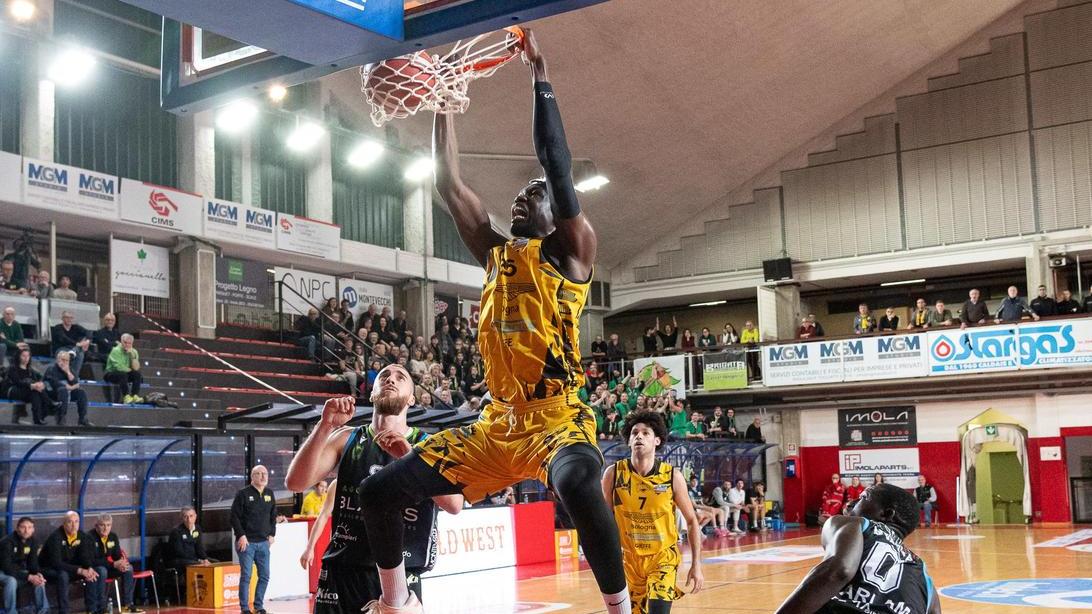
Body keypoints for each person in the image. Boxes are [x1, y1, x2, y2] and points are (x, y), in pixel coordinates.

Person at [351, 30, 631, 614]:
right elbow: (447, 185)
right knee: (379, 489)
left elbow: (555, 162)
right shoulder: (497, 253)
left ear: (558, 212)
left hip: (556, 420)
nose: (521, 199)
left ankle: (619, 605)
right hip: (494, 426)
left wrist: (540, 77)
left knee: (579, 482)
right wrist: (444, 100)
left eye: (535, 195)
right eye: (521, 195)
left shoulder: (572, 252)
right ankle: (395, 602)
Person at [283, 378, 464, 614]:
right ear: (372, 394)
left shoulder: (426, 445)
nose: (391, 378)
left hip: (399, 577)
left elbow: (454, 504)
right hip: (342, 571)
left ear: (412, 398)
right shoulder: (346, 437)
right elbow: (295, 482)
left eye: (401, 377)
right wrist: (325, 425)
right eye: (384, 376)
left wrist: (410, 459)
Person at [776, 484, 939, 614]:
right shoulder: (924, 576)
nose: (850, 503)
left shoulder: (855, 524)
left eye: (862, 498)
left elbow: (839, 571)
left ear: (886, 514)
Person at [602, 411, 703, 614]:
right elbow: (604, 522)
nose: (639, 436)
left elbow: (692, 520)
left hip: (662, 558)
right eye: (634, 433)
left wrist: (696, 565)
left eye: (646, 433)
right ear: (629, 441)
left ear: (657, 440)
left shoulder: (671, 476)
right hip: (628, 561)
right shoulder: (613, 474)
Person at [230, 465, 278, 614]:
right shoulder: (243, 494)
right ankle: (244, 608)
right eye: (259, 474)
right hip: (247, 542)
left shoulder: (270, 493)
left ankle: (259, 606)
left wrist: (272, 534)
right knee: (247, 575)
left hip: (264, 543)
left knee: (265, 575)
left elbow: (272, 516)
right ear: (252, 476)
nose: (263, 476)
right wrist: (241, 535)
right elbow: (234, 517)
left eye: (265, 474)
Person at [41, 511, 107, 614]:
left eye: (76, 522)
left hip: (71, 568)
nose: (74, 525)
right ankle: (64, 611)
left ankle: (93, 609)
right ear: (64, 524)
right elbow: (56, 563)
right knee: (63, 575)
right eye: (70, 522)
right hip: (50, 569)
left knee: (97, 571)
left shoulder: (81, 536)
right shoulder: (55, 537)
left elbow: (84, 556)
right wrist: (80, 570)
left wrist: (88, 567)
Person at [90, 515, 143, 613]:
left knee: (128, 568)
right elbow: (91, 561)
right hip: (93, 570)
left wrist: (122, 563)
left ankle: (128, 604)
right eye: (102, 525)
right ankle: (101, 607)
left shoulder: (113, 536)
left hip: (109, 567)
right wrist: (113, 564)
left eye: (108, 525)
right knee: (102, 570)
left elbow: (117, 555)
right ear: (96, 526)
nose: (106, 528)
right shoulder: (89, 537)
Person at [0, 516, 49, 614]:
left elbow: (33, 563)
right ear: (17, 528)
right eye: (23, 527)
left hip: (18, 570)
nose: (26, 530)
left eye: (30, 527)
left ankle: (43, 611)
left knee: (39, 580)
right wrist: (29, 577)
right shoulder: (7, 542)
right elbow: (7, 567)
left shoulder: (33, 541)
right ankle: (11, 612)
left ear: (33, 529)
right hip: (2, 570)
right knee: (11, 581)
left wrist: (37, 573)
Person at [45, 350, 91, 427]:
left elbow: (76, 384)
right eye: (63, 359)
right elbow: (53, 382)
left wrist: (68, 372)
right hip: (53, 393)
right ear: (57, 360)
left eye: (67, 360)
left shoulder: (70, 370)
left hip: (67, 393)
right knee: (62, 390)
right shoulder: (51, 368)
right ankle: (61, 417)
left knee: (81, 392)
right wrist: (68, 387)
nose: (65, 362)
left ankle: (82, 418)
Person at [4, 348, 49, 425]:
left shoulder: (30, 369)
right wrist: (31, 385)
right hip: (13, 390)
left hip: (27, 391)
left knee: (35, 393)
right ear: (19, 357)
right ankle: (48, 403)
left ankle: (37, 419)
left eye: (28, 356)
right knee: (34, 389)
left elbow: (40, 378)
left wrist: (39, 383)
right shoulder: (13, 368)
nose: (26, 358)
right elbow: (17, 382)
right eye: (23, 356)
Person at [299, 479, 336, 571]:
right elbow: (313, 516)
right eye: (321, 486)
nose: (324, 489)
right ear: (316, 487)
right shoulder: (309, 499)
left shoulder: (325, 496)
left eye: (325, 487)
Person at [166, 507, 210, 578]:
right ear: (182, 518)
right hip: (178, 560)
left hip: (194, 559)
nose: (189, 520)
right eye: (185, 517)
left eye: (191, 516)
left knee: (215, 563)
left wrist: (205, 559)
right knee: (198, 564)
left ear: (195, 516)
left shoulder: (197, 529)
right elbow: (179, 552)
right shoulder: (176, 531)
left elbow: (199, 547)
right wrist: (198, 560)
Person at [105, 334, 143, 404]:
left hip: (125, 374)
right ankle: (126, 396)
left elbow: (136, 368)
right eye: (125, 342)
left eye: (129, 343)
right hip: (111, 374)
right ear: (121, 341)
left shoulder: (134, 352)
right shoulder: (116, 350)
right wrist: (130, 370)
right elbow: (118, 367)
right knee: (122, 374)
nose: (127, 345)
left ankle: (134, 395)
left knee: (137, 374)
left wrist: (132, 356)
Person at [51, 311, 90, 379]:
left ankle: (74, 377)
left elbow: (89, 333)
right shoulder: (57, 328)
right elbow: (63, 339)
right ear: (62, 318)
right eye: (67, 317)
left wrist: (87, 342)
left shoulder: (76, 327)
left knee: (80, 354)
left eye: (71, 318)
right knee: (73, 352)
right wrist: (77, 344)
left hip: (75, 349)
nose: (69, 319)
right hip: (61, 349)